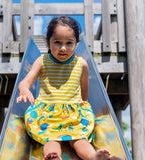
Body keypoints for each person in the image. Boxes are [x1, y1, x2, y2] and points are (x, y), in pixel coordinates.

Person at [16, 16, 110, 160]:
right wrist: (24, 90)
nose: (63, 48)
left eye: (69, 43)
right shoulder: (42, 61)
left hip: (74, 112)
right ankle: (52, 156)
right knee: (51, 139)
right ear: (48, 43)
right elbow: (24, 82)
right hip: (47, 113)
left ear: (76, 44)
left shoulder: (81, 64)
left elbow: (84, 93)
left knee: (79, 140)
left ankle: (94, 156)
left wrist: (83, 110)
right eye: (57, 42)